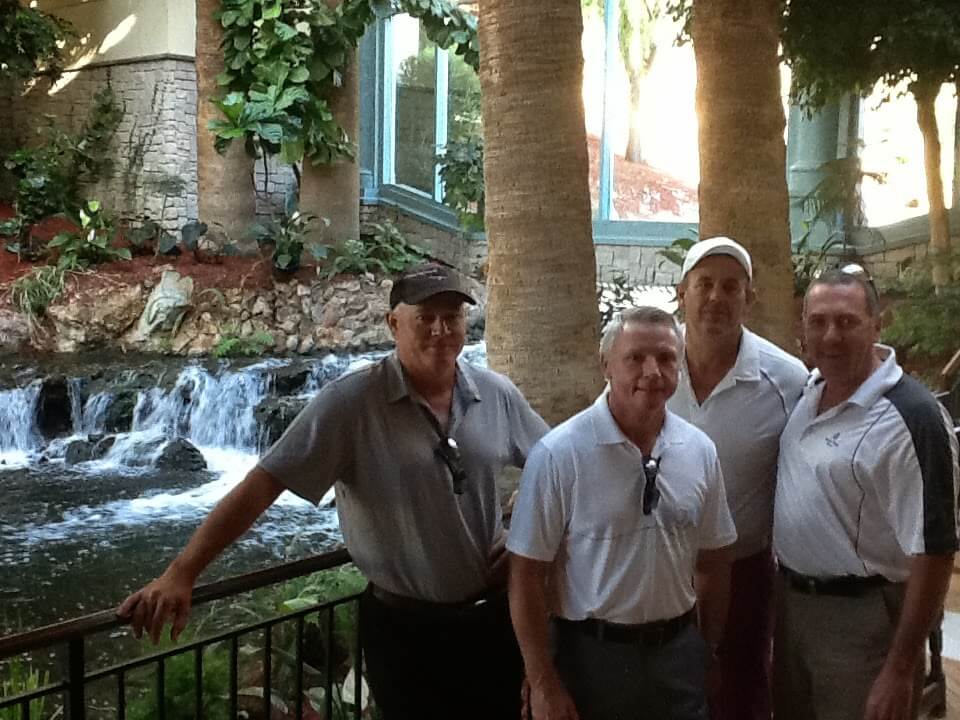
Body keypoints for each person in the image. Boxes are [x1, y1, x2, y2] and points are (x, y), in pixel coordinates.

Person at [118, 261, 550, 720]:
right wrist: (182, 572)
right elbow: (263, 485)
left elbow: (557, 469)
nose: (441, 330)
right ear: (393, 324)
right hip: (405, 631)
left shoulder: (495, 393)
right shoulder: (351, 403)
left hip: (494, 617)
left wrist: (525, 533)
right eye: (425, 317)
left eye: (453, 316)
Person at [508, 306, 737, 720]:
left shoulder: (699, 450)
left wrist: (707, 647)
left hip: (677, 652)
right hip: (590, 658)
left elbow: (714, 560)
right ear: (606, 365)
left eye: (666, 358)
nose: (652, 371)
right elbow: (526, 575)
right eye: (635, 358)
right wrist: (542, 680)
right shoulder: (560, 454)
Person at [773, 268, 959, 720]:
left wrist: (900, 667)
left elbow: (935, 551)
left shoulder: (912, 417)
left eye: (847, 321)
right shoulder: (809, 391)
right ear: (802, 329)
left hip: (865, 623)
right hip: (794, 610)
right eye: (818, 322)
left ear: (877, 325)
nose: (830, 335)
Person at [667, 236, 807, 720]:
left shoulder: (787, 379)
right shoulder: (650, 360)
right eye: (704, 284)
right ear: (681, 293)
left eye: (731, 287)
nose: (716, 297)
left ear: (750, 298)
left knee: (739, 695)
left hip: (743, 573)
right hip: (656, 566)